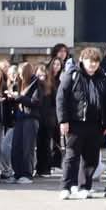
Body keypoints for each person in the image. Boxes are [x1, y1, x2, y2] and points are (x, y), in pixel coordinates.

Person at [56, 45, 106, 199]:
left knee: (91, 158)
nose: (93, 65)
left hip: (95, 124)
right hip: (75, 123)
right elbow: (61, 98)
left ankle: (84, 186)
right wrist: (63, 120)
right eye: (90, 61)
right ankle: (66, 187)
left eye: (96, 62)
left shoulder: (102, 77)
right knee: (71, 156)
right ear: (82, 60)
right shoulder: (72, 74)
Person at [8, 61, 43, 185]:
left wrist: (19, 97)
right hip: (19, 118)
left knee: (27, 148)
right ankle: (17, 173)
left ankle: (27, 174)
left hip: (30, 118)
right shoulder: (20, 83)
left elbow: (35, 101)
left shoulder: (37, 84)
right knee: (16, 147)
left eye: (21, 73)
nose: (19, 76)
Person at [37, 45, 67, 175]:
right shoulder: (46, 79)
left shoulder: (61, 80)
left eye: (58, 65)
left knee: (54, 142)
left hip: (55, 115)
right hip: (46, 114)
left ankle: (52, 164)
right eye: (54, 64)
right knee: (44, 142)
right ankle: (43, 167)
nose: (56, 67)